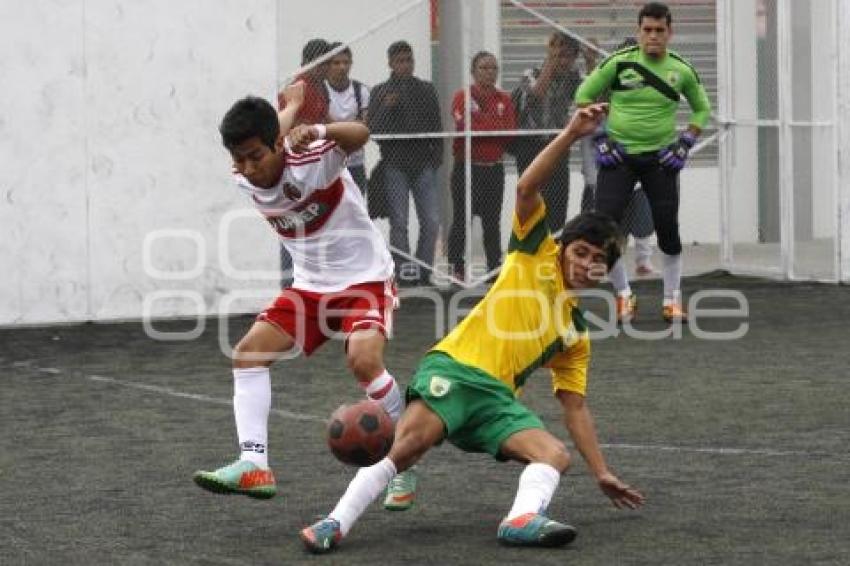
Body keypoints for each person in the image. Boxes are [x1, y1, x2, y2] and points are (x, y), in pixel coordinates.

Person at [300, 103, 645, 553]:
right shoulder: (534, 254)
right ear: (562, 249)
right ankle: (333, 523)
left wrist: (601, 471)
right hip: (455, 372)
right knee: (406, 448)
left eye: (599, 261)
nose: (587, 264)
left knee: (554, 456)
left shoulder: (575, 335)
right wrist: (570, 133)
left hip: (496, 403)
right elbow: (526, 186)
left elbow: (575, 408)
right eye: (581, 252)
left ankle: (521, 519)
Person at [192, 84, 417, 508]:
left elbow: (361, 135)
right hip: (310, 287)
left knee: (364, 361)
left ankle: (405, 460)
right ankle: (253, 464)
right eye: (238, 159)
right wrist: (291, 106)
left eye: (256, 157)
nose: (248, 168)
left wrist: (315, 127)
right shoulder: (244, 174)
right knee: (247, 354)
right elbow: (265, 136)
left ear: (278, 145)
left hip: (364, 279)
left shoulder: (311, 160)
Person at [575, 2, 711, 322]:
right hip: (619, 158)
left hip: (660, 160)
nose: (652, 36)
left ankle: (672, 300)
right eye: (647, 30)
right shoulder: (619, 64)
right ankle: (624, 296)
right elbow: (583, 95)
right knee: (603, 231)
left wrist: (686, 142)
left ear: (669, 33)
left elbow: (702, 109)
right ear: (638, 32)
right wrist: (601, 138)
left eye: (659, 30)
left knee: (668, 229)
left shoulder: (682, 69)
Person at [578, 37, 657, 277]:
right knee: (605, 214)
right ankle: (601, 259)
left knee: (642, 206)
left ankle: (643, 261)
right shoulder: (606, 81)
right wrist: (591, 60)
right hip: (606, 157)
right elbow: (593, 96)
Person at [368, 41, 443, 286]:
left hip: (424, 164)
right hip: (395, 164)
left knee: (431, 221)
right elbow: (373, 130)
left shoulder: (426, 89)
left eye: (409, 60)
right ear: (390, 63)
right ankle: (403, 273)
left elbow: (436, 125)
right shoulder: (380, 91)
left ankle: (423, 271)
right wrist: (387, 109)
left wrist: (436, 158)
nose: (405, 65)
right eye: (400, 61)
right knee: (399, 222)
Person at [447, 51, 516, 281]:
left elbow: (508, 132)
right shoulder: (462, 96)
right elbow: (464, 126)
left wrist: (481, 121)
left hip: (494, 169)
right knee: (461, 220)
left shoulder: (504, 99)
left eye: (493, 68)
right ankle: (456, 267)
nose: (490, 72)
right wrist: (490, 126)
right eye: (484, 68)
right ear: (474, 71)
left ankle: (493, 269)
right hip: (467, 167)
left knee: (492, 221)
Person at [510, 32, 585, 232]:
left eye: (569, 56)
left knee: (558, 204)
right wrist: (551, 62)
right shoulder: (531, 73)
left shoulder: (572, 78)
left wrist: (592, 60)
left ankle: (552, 253)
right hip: (530, 145)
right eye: (560, 55)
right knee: (532, 202)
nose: (564, 61)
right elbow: (536, 95)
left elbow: (590, 97)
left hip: (556, 144)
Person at [277, 38, 333, 288]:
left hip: (312, 167)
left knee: (312, 226)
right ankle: (290, 283)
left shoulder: (319, 87)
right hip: (297, 168)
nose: (329, 68)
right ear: (314, 63)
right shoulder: (299, 88)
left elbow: (323, 122)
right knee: (294, 226)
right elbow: (287, 124)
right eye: (326, 63)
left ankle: (308, 281)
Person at [324, 42, 370, 194]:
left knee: (356, 208)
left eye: (345, 62)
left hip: (354, 162)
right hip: (327, 163)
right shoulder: (321, 90)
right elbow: (322, 122)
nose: (342, 67)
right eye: (336, 63)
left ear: (351, 64)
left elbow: (364, 126)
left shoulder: (360, 90)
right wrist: (350, 128)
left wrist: (335, 127)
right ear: (328, 65)